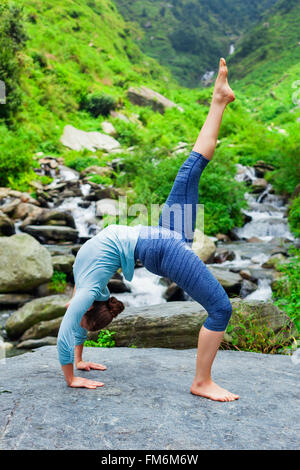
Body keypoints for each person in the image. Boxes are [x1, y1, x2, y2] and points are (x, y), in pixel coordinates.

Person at [57, 58, 239, 402]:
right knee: (221, 309)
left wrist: (73, 372)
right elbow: (75, 319)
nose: (78, 315)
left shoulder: (88, 292)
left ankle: (218, 99)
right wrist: (77, 363)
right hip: (157, 243)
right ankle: (201, 382)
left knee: (191, 168)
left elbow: (70, 325)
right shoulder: (85, 287)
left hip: (160, 240)